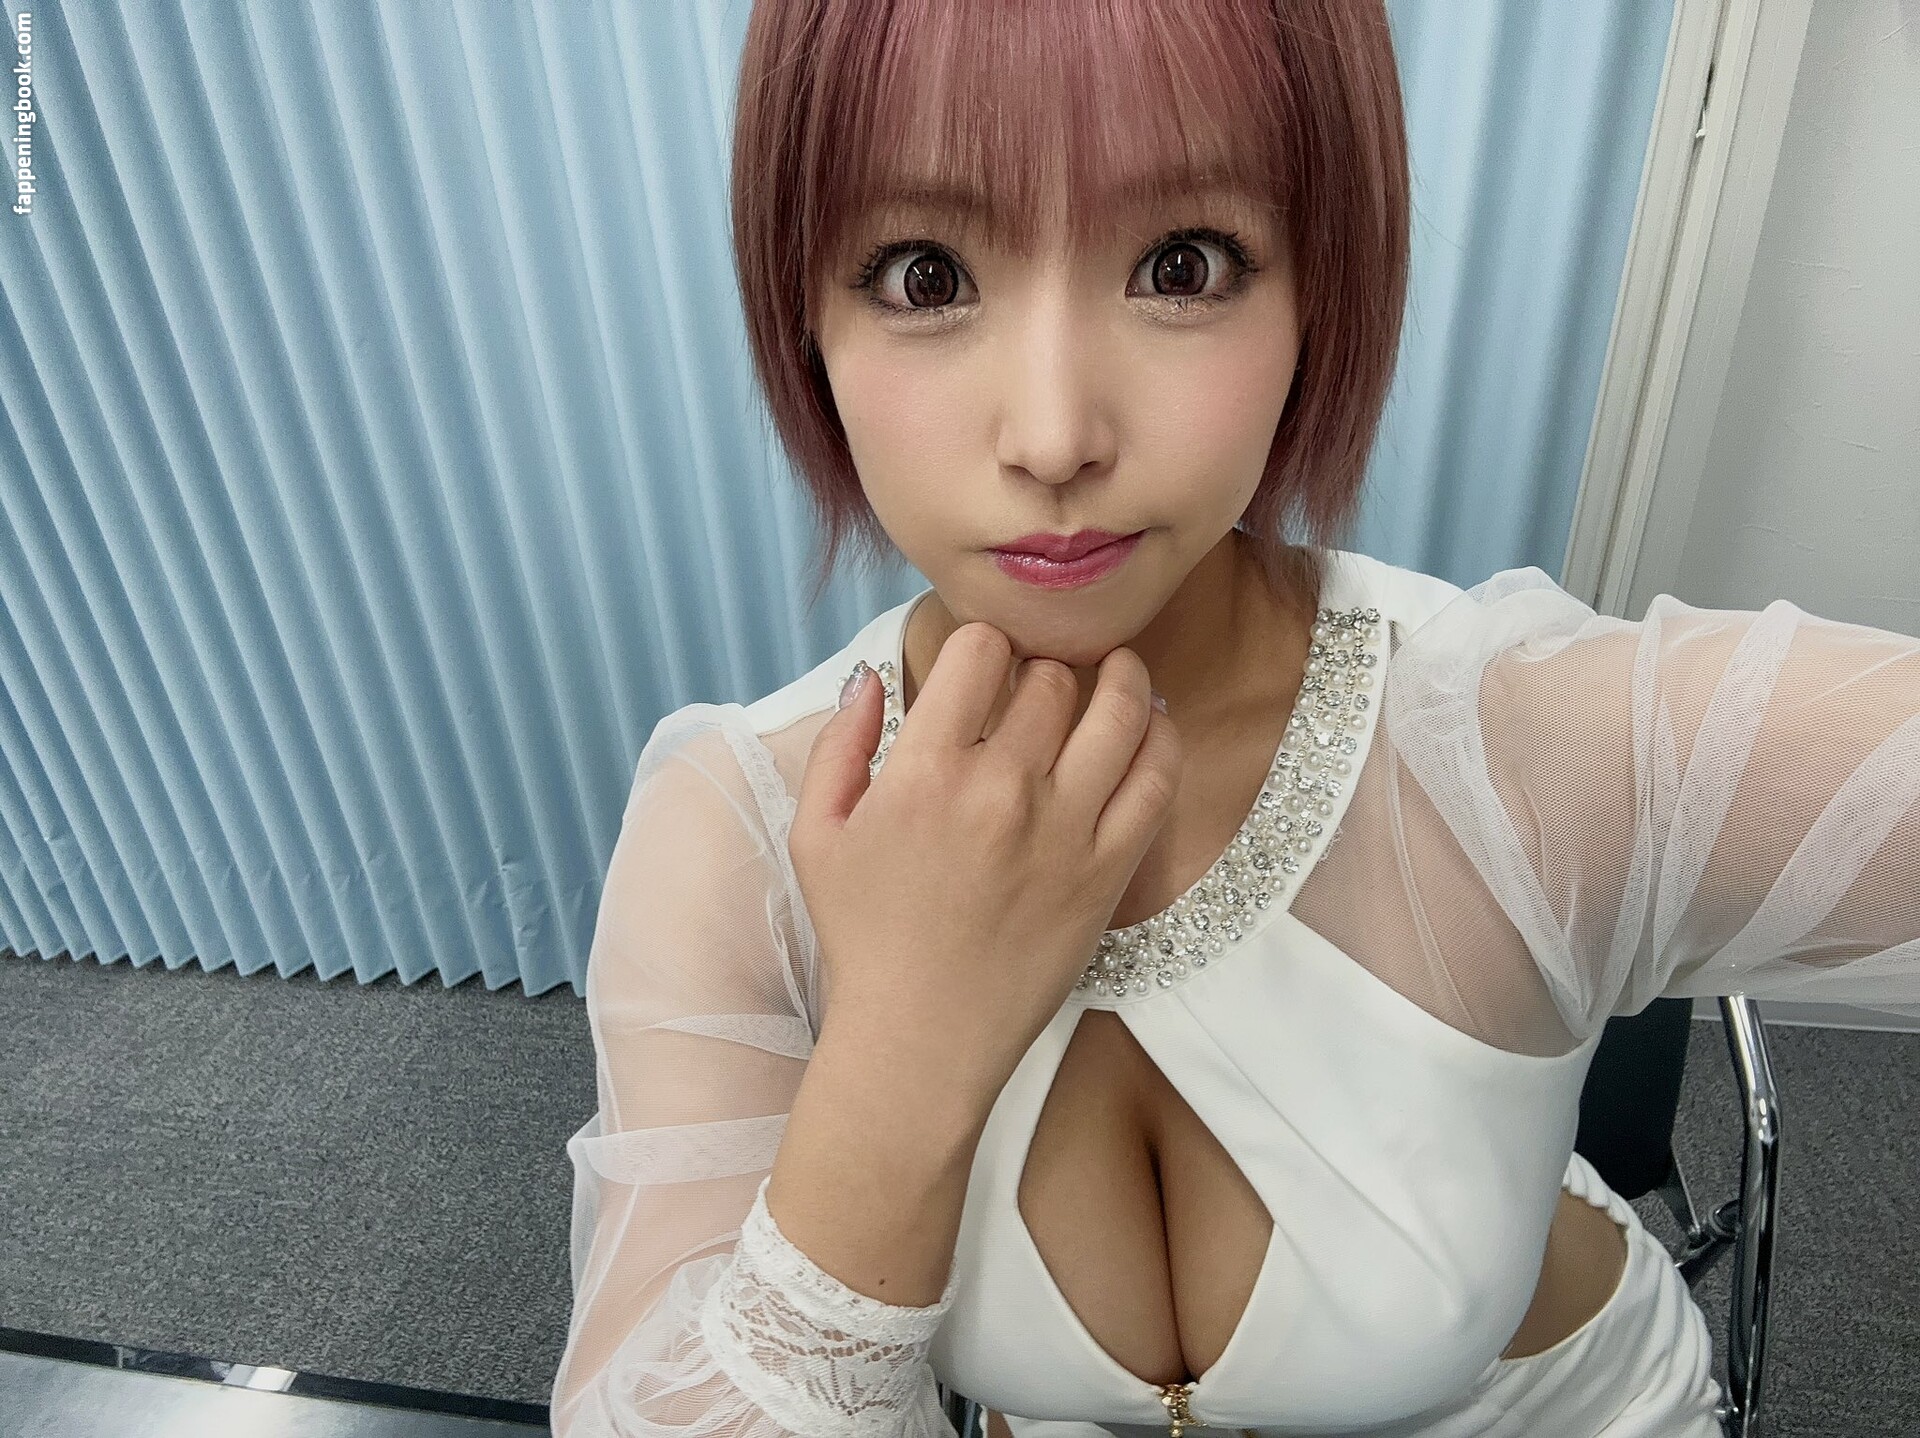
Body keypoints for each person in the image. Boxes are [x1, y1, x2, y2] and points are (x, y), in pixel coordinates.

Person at [548, 2, 1920, 1434]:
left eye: (1181, 265)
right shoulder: (738, 834)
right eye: (925, 274)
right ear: (804, 315)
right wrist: (902, 1047)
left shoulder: (1521, 747)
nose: (1055, 434)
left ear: (1318, 287)